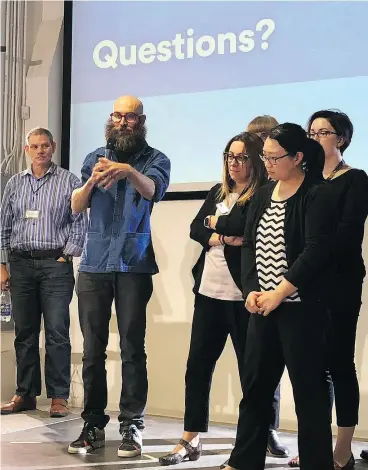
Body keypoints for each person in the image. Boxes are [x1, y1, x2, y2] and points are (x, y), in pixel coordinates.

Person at [224, 123, 337, 470]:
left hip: (302, 310)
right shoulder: (261, 196)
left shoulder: (317, 193)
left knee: (309, 393)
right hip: (262, 308)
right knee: (255, 390)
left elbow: (316, 251)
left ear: (298, 157)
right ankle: (244, 461)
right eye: (265, 156)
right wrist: (251, 290)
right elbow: (249, 248)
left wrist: (281, 293)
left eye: (274, 157)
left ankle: (316, 462)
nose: (267, 163)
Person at [68, 95, 170, 458]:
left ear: (141, 121)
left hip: (133, 264)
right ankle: (92, 424)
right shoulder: (92, 157)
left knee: (131, 348)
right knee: (92, 350)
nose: (123, 122)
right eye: (117, 116)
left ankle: (132, 426)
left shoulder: (155, 159)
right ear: (110, 119)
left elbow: (153, 190)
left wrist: (128, 171)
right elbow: (77, 205)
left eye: (130, 117)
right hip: (94, 264)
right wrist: (92, 181)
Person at [159, 132, 269, 466]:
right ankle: (190, 439)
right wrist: (221, 234)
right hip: (209, 293)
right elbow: (196, 228)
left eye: (242, 157)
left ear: (255, 161)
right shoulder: (217, 192)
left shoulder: (262, 195)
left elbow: (244, 226)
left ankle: (257, 438)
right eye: (229, 156)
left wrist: (216, 227)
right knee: (198, 367)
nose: (234, 163)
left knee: (252, 373)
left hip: (244, 298)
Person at [288, 110, 368, 470]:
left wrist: (314, 249)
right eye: (312, 131)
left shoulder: (354, 179)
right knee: (311, 367)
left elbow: (349, 233)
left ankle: (343, 447)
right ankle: (315, 445)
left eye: (324, 131)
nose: (316, 136)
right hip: (304, 283)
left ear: (342, 138)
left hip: (340, 283)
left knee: (338, 362)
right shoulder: (302, 179)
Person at [0, 127, 87, 417]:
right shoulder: (14, 184)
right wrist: (2, 264)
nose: (40, 151)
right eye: (34, 146)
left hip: (55, 266)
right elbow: (4, 225)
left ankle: (59, 397)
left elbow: (79, 222)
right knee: (24, 333)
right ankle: (24, 394)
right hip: (21, 264)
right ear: (27, 150)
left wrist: (67, 255)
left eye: (45, 146)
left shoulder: (69, 181)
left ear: (53, 147)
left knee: (57, 332)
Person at [246, 115, 289, 458]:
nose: (261, 150)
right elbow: (244, 238)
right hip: (251, 294)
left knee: (281, 374)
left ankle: (270, 431)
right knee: (256, 376)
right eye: (254, 141)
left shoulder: (300, 190)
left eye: (266, 142)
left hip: (290, 298)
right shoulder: (250, 188)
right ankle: (246, 450)